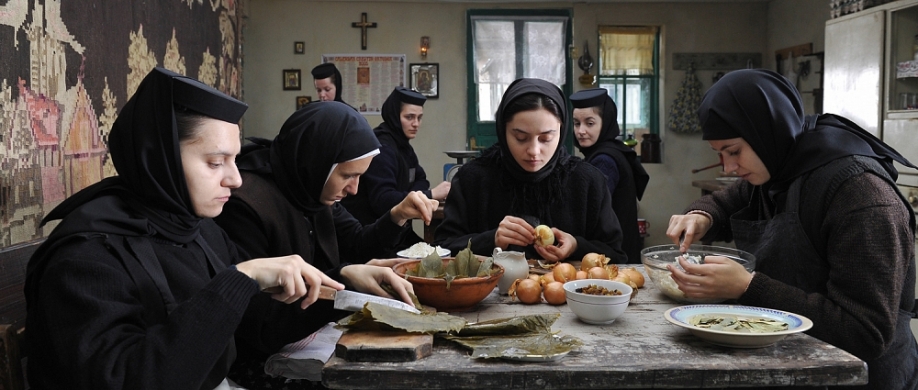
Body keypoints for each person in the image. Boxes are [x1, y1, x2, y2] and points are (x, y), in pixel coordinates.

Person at [24, 67, 349, 390]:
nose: (235, 180)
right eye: (215, 162)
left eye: (235, 160)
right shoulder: (87, 258)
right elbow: (127, 379)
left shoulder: (198, 230)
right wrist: (240, 279)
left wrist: (346, 285)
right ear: (159, 157)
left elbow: (260, 324)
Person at [666, 69, 917, 390]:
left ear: (766, 131)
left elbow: (864, 333)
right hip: (797, 365)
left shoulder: (861, 196)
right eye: (719, 155)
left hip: (865, 379)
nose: (728, 168)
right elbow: (732, 199)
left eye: (733, 151)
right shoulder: (780, 164)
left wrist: (747, 286)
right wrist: (703, 214)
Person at [213, 101, 437, 388]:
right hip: (261, 362)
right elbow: (260, 323)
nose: (355, 189)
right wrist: (342, 281)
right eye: (348, 176)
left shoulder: (309, 186)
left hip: (309, 339)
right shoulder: (245, 205)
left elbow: (356, 243)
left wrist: (397, 215)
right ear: (318, 159)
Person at [433, 78, 627, 264]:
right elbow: (443, 248)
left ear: (561, 130)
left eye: (545, 139)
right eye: (520, 137)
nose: (534, 151)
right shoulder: (473, 179)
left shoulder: (587, 181)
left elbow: (616, 255)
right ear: (503, 129)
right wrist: (492, 240)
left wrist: (576, 246)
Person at [340, 87, 449, 252]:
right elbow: (384, 201)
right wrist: (431, 194)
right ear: (394, 115)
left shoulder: (404, 147)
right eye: (409, 117)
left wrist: (415, 195)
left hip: (399, 233)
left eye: (419, 118)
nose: (416, 124)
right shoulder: (382, 147)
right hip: (370, 237)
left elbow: (421, 178)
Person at [569, 88, 650, 263]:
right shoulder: (611, 150)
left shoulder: (604, 160)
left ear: (605, 123)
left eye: (589, 123)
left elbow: (590, 211)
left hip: (613, 258)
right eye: (576, 123)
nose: (581, 131)